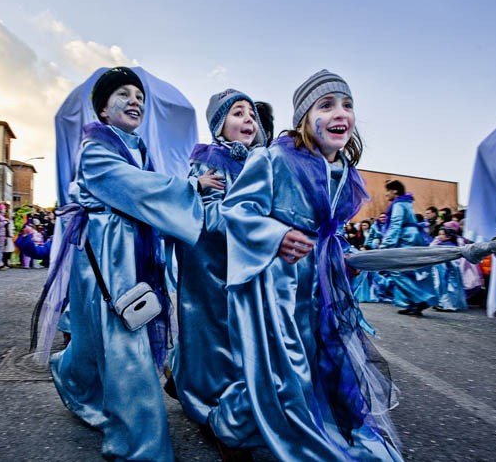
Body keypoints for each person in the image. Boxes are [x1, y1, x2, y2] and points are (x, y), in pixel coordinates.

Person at [213, 70, 402, 461]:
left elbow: (329, 232)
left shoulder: (344, 175)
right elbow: (236, 210)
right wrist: (275, 235)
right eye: (327, 104)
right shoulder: (273, 159)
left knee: (318, 362)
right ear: (304, 117)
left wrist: (340, 259)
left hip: (322, 288)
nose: (341, 113)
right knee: (287, 371)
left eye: (347, 105)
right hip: (277, 289)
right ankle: (245, 426)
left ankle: (236, 422)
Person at [47, 67, 223, 461]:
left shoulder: (134, 149)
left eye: (139, 97)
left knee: (98, 338)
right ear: (103, 111)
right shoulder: (96, 148)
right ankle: (138, 446)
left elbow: (143, 197)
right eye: (123, 94)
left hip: (125, 256)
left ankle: (72, 377)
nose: (135, 101)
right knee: (127, 344)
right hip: (107, 260)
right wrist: (190, 186)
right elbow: (135, 189)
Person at [171, 89, 265, 456]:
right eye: (238, 113)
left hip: (244, 263)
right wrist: (250, 220)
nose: (248, 121)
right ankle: (214, 412)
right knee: (215, 339)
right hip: (210, 267)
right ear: (219, 123)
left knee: (245, 337)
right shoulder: (209, 160)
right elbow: (205, 216)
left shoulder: (258, 160)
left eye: (252, 116)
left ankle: (235, 406)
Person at [378, 180, 437, 315]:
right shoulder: (406, 203)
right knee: (406, 272)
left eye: (388, 190)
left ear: (395, 191)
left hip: (406, 239)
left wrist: (386, 245)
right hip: (411, 237)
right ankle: (413, 303)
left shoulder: (398, 204)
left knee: (396, 271)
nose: (386, 194)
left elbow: (396, 224)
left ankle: (420, 298)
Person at [430, 222, 469, 311]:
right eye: (439, 234)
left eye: (442, 235)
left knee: (446, 287)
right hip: (446, 270)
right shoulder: (445, 245)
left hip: (448, 271)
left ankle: (448, 305)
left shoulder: (447, 247)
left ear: (449, 236)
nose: (440, 236)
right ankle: (444, 303)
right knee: (444, 287)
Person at [0, 203, 14, 269]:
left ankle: (1, 263)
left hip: (3, 235)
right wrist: (5, 222)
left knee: (2, 249)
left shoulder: (2, 216)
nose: (5, 209)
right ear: (0, 209)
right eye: (3, 208)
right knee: (0, 249)